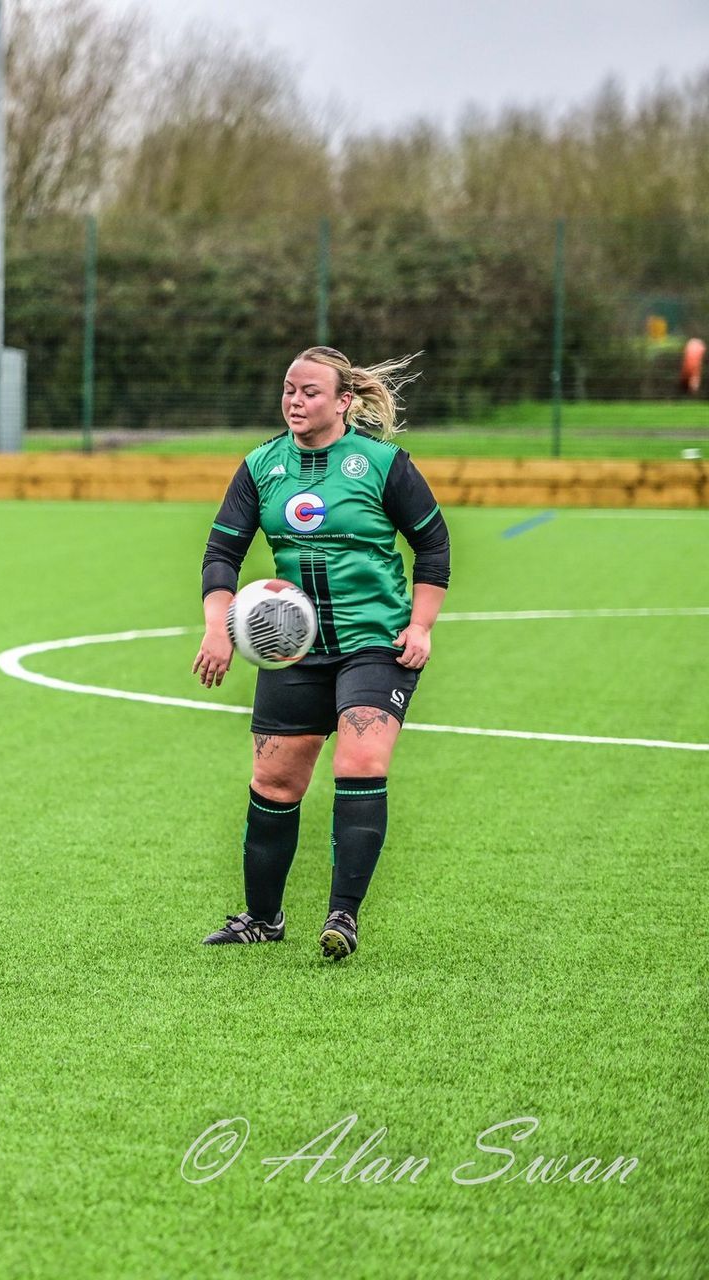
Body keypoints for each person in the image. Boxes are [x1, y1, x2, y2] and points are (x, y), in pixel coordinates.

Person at [192, 346, 451, 961]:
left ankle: (343, 915)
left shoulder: (382, 464)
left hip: (375, 642)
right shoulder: (262, 466)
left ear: (343, 401)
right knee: (275, 782)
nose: (295, 401)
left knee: (360, 761)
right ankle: (262, 918)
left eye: (310, 392)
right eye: (289, 389)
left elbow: (433, 546)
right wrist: (216, 627)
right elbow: (222, 553)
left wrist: (420, 626)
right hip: (292, 649)